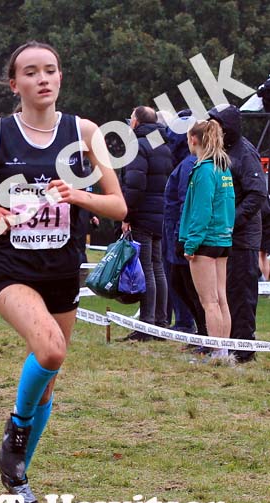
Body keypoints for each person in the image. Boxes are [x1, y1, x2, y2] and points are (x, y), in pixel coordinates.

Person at [0, 41, 126, 503]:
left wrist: (77, 197)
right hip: (14, 271)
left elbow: (118, 205)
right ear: (14, 83)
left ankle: (18, 482)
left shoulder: (84, 131)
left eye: (51, 70)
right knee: (50, 349)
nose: (43, 78)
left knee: (49, 383)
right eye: (31, 72)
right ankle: (14, 435)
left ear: (60, 78)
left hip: (64, 274)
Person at [207, 104, 268, 363]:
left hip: (243, 237)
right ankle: (224, 345)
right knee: (225, 293)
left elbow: (257, 194)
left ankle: (243, 350)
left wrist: (231, 220)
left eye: (216, 123)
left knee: (241, 294)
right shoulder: (223, 152)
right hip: (225, 236)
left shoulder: (245, 153)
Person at [179, 119, 235, 363]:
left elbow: (201, 210)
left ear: (194, 139)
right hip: (223, 239)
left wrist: (191, 244)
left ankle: (216, 353)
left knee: (209, 301)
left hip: (204, 242)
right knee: (221, 299)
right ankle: (223, 352)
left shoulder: (203, 171)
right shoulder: (223, 168)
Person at [120, 106, 174, 340]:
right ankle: (161, 322)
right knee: (158, 267)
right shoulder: (164, 146)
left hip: (142, 213)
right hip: (160, 214)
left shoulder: (138, 147)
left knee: (147, 269)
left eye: (131, 117)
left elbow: (134, 184)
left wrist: (127, 215)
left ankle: (146, 326)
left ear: (137, 123)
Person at [164, 113, 207, 346]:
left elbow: (185, 204)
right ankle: (200, 331)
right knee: (181, 284)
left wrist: (182, 239)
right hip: (177, 234)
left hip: (182, 236)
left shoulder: (190, 164)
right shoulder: (185, 163)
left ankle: (203, 331)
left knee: (188, 286)